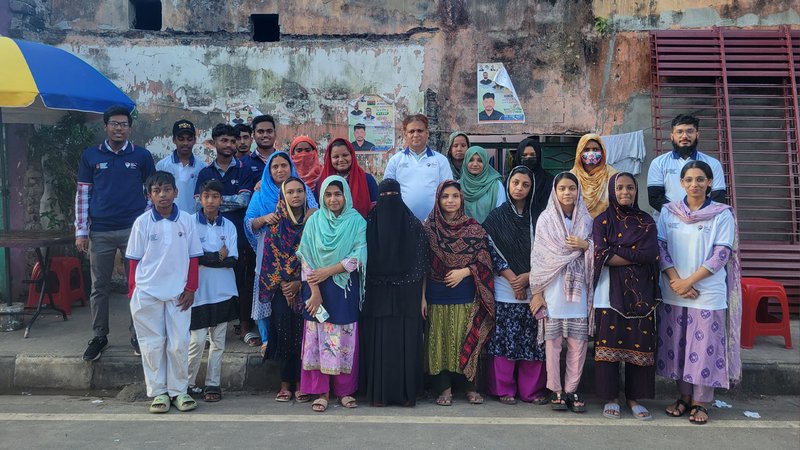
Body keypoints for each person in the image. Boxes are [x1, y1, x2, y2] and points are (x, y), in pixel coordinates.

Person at [656, 160, 741, 425]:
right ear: (681, 183)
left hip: (707, 292)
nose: (694, 184)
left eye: (700, 179)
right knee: (679, 345)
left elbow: (721, 254)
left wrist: (689, 281)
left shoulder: (721, 213)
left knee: (704, 347)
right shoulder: (669, 212)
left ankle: (701, 402)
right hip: (673, 290)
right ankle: (683, 398)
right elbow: (660, 248)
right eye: (689, 180)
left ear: (709, 183)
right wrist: (675, 280)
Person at [76, 105, 156, 361]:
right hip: (100, 231)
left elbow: (151, 194)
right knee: (99, 286)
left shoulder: (142, 157)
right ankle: (99, 336)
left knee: (138, 285)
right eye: (114, 124)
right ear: (105, 126)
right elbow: (83, 194)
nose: (119, 128)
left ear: (129, 128)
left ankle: (138, 334)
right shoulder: (91, 156)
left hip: (134, 230)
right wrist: (81, 231)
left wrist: (145, 225)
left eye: (123, 124)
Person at [126, 171, 203, 413]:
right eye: (157, 190)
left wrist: (191, 288)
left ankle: (179, 391)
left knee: (178, 343)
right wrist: (133, 294)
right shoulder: (142, 223)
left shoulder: (187, 221)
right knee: (152, 344)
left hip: (179, 293)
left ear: (176, 192)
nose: (163, 195)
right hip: (147, 292)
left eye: (167, 189)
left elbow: (193, 257)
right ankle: (158, 392)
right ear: (149, 195)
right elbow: (133, 261)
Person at [423, 180, 500, 407]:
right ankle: (443, 388)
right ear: (438, 200)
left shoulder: (474, 228)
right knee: (439, 342)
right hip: (436, 294)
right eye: (445, 196)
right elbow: (423, 267)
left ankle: (469, 387)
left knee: (465, 339)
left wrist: (464, 271)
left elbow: (485, 260)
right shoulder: (429, 229)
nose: (450, 201)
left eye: (455, 196)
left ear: (461, 199)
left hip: (466, 294)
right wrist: (422, 297)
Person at [296, 176, 367, 413]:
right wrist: (314, 291)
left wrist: (328, 270)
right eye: (328, 194)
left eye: (338, 194)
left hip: (343, 287)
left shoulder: (356, 221)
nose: (333, 199)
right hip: (316, 287)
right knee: (318, 339)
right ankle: (321, 392)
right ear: (322, 197)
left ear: (345, 195)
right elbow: (305, 256)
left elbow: (359, 256)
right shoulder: (314, 221)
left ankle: (344, 391)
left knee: (344, 337)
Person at [592, 172, 660, 420]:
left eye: (630, 188)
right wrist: (632, 252)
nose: (624, 192)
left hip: (642, 294)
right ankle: (611, 397)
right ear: (611, 190)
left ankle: (634, 398)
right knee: (608, 344)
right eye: (619, 187)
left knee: (639, 345)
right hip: (609, 294)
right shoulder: (601, 221)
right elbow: (601, 254)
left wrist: (617, 251)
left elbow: (650, 254)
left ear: (636, 191)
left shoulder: (647, 221)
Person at [483, 166, 548, 405]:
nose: (519, 188)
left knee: (532, 340)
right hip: (505, 288)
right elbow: (489, 248)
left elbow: (547, 251)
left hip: (536, 287)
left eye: (525, 184)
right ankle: (504, 390)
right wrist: (514, 279)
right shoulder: (496, 217)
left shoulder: (540, 217)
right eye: (515, 183)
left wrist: (529, 277)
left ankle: (531, 391)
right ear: (508, 185)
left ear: (532, 189)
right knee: (504, 339)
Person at [530, 172, 594, 413]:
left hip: (579, 289)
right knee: (553, 343)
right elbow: (539, 256)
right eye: (563, 188)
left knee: (578, 344)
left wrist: (585, 246)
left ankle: (572, 389)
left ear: (578, 191)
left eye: (572, 188)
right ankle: (555, 389)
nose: (568, 193)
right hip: (553, 288)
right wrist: (537, 291)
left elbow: (596, 250)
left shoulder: (587, 220)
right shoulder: (546, 219)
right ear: (554, 192)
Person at [361, 178, 428, 407]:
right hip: (376, 291)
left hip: (408, 291)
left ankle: (407, 394)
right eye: (384, 197)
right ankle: (379, 393)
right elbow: (363, 258)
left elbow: (421, 263)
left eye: (393, 196)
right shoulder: (369, 224)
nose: (389, 201)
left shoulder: (414, 225)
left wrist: (419, 294)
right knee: (379, 343)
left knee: (407, 342)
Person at [195, 124, 256, 346]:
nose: (230, 145)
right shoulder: (205, 172)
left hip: (239, 234)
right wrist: (228, 200)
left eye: (233, 141)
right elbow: (197, 203)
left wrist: (215, 202)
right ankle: (210, 328)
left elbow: (244, 201)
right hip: (208, 235)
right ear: (214, 143)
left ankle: (245, 325)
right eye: (224, 141)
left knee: (242, 280)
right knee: (210, 281)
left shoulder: (244, 169)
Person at [251, 177, 311, 403]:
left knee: (303, 334)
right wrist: (285, 284)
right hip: (281, 289)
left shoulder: (312, 223)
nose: (295, 196)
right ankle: (285, 382)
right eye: (291, 192)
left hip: (307, 286)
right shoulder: (274, 225)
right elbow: (270, 257)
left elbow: (313, 255)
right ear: (283, 196)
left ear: (305, 194)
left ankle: (301, 383)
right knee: (285, 333)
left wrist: (299, 281)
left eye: (299, 191)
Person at [187, 180, 239, 403]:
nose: (210, 201)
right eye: (206, 196)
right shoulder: (188, 223)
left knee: (218, 342)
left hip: (223, 291)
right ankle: (187, 383)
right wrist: (216, 255)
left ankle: (213, 384)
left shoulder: (228, 226)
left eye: (215, 197)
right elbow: (190, 258)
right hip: (197, 293)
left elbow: (232, 260)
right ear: (199, 198)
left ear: (221, 199)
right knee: (196, 341)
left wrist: (204, 257)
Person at [647, 114, 727, 213]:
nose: (684, 136)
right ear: (672, 136)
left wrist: (697, 214)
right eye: (679, 132)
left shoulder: (713, 164)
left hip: (704, 221)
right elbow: (655, 198)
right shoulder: (658, 163)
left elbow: (718, 198)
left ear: (697, 135)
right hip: (669, 222)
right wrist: (681, 214)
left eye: (690, 131)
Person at [244, 151, 318, 250]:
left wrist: (314, 211)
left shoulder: (302, 187)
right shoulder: (261, 192)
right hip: (271, 249)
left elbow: (315, 210)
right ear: (269, 171)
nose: (280, 170)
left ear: (291, 167)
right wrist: (264, 219)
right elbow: (248, 223)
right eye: (275, 167)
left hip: (301, 247)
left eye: (284, 165)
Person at [384, 114, 453, 220]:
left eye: (419, 131)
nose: (415, 135)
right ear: (405, 134)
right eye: (411, 131)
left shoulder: (441, 160)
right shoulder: (395, 161)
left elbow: (449, 192)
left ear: (427, 133)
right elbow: (388, 194)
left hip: (435, 224)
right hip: (403, 223)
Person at [315, 138, 378, 217]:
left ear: (352, 155)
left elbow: (376, 209)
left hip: (360, 227)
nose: (341, 160)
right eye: (336, 157)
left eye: (345, 155)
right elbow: (317, 210)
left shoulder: (367, 180)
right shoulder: (322, 183)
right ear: (330, 159)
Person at [155, 120, 204, 213]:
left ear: (195, 140)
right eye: (181, 139)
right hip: (169, 217)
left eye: (189, 139)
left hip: (194, 219)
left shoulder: (202, 167)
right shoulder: (162, 166)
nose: (185, 143)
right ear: (174, 140)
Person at [570, 133, 617, 218]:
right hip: (579, 227)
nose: (591, 154)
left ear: (602, 152)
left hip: (606, 226)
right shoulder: (571, 176)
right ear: (579, 152)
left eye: (595, 149)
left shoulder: (613, 175)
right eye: (586, 150)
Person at [460, 146, 506, 223]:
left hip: (489, 233)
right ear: (465, 162)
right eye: (471, 160)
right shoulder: (458, 185)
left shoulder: (496, 185)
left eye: (480, 160)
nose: (475, 164)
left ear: (485, 163)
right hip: (462, 234)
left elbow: (501, 214)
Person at [513, 137, 554, 224]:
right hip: (516, 225)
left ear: (538, 156)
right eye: (524, 155)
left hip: (543, 225)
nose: (528, 158)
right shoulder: (511, 181)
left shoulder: (548, 180)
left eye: (532, 155)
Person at [242, 115, 278, 181]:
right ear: (254, 135)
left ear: (275, 134)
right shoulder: (244, 163)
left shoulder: (285, 160)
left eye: (269, 131)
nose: (265, 135)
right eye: (260, 132)